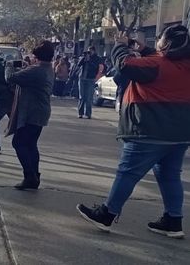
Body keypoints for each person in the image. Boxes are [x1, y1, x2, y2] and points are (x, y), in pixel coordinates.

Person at [77, 25, 190, 238]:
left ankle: (107, 214)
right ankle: (173, 221)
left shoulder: (154, 66)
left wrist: (120, 46)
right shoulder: (181, 66)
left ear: (165, 44)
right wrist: (146, 50)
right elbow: (164, 62)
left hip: (150, 131)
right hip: (180, 134)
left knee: (128, 173)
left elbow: (125, 64)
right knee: (170, 175)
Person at [4, 41, 55, 190]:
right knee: (31, 144)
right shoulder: (47, 68)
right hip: (40, 110)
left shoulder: (37, 70)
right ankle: (35, 176)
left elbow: (10, 77)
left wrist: (8, 65)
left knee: (19, 143)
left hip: (31, 112)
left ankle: (29, 176)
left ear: (37, 56)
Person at [76, 46, 103, 119]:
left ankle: (88, 114)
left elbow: (98, 68)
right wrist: (84, 58)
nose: (89, 53)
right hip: (82, 78)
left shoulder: (97, 59)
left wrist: (89, 60)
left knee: (89, 97)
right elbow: (78, 64)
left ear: (94, 51)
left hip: (91, 79)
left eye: (90, 51)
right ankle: (80, 113)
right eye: (88, 51)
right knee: (82, 96)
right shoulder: (84, 57)